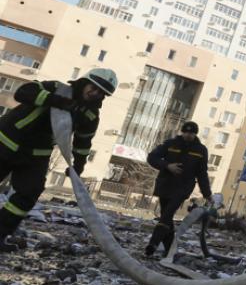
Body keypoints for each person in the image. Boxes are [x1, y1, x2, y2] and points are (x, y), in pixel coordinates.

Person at [0, 68, 117, 252]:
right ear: (84, 81)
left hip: (36, 154)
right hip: (6, 141)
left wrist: (78, 167)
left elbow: (83, 142)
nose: (95, 93)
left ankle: (1, 234)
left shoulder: (90, 114)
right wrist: (57, 101)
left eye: (102, 92)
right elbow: (23, 93)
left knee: (29, 193)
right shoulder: (57, 88)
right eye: (93, 88)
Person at [144, 121, 213, 256]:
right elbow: (152, 157)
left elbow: (202, 173)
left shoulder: (200, 150)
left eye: (191, 133)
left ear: (195, 134)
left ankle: (153, 244)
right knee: (166, 216)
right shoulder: (170, 144)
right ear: (182, 132)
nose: (188, 135)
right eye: (186, 132)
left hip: (183, 187)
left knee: (167, 214)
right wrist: (167, 165)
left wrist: (207, 194)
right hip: (166, 184)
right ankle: (170, 249)